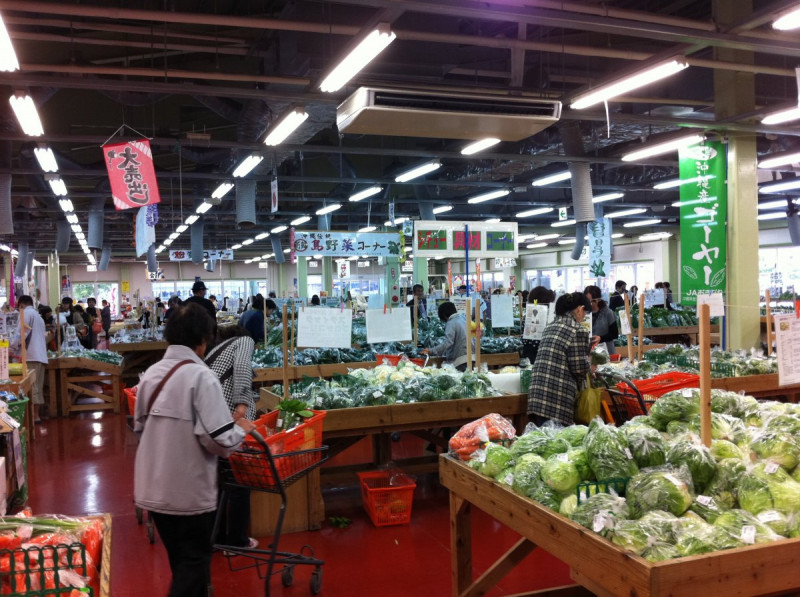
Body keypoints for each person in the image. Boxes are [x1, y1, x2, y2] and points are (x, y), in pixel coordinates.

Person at [133, 303, 255, 597]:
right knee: (192, 567)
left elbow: (138, 426)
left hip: (153, 492)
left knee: (183, 564)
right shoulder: (201, 377)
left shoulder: (151, 373)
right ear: (204, 340)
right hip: (188, 495)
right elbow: (219, 439)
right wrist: (242, 430)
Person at [205, 325, 259, 551]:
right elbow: (243, 369)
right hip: (228, 416)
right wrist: (242, 403)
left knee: (221, 480)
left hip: (210, 418)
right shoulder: (245, 341)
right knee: (238, 480)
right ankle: (236, 541)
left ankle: (216, 537)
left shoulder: (216, 351)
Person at [527, 292, 592, 427]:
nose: (584, 316)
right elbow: (579, 368)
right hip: (556, 397)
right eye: (585, 312)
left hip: (537, 393)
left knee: (545, 441)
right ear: (580, 309)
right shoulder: (577, 330)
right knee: (559, 443)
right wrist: (590, 368)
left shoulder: (550, 326)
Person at [12, 295, 48, 422]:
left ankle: (34, 416)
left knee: (31, 386)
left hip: (31, 355)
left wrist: (11, 347)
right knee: (37, 384)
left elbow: (21, 333)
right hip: (40, 355)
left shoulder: (26, 314)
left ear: (21, 304)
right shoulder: (39, 317)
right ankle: (35, 415)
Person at [423, 301, 473, 371]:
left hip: (460, 359)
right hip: (471, 356)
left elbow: (448, 343)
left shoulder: (451, 323)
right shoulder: (464, 318)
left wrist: (431, 351)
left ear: (444, 315)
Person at [520, 285, 556, 364]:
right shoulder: (551, 318)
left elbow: (523, 338)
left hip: (529, 355)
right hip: (547, 356)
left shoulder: (528, 317)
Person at [584, 285, 618, 355]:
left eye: (592, 301)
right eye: (586, 300)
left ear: (598, 300)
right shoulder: (583, 313)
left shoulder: (608, 313)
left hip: (606, 351)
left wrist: (601, 338)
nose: (588, 303)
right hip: (588, 352)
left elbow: (614, 334)